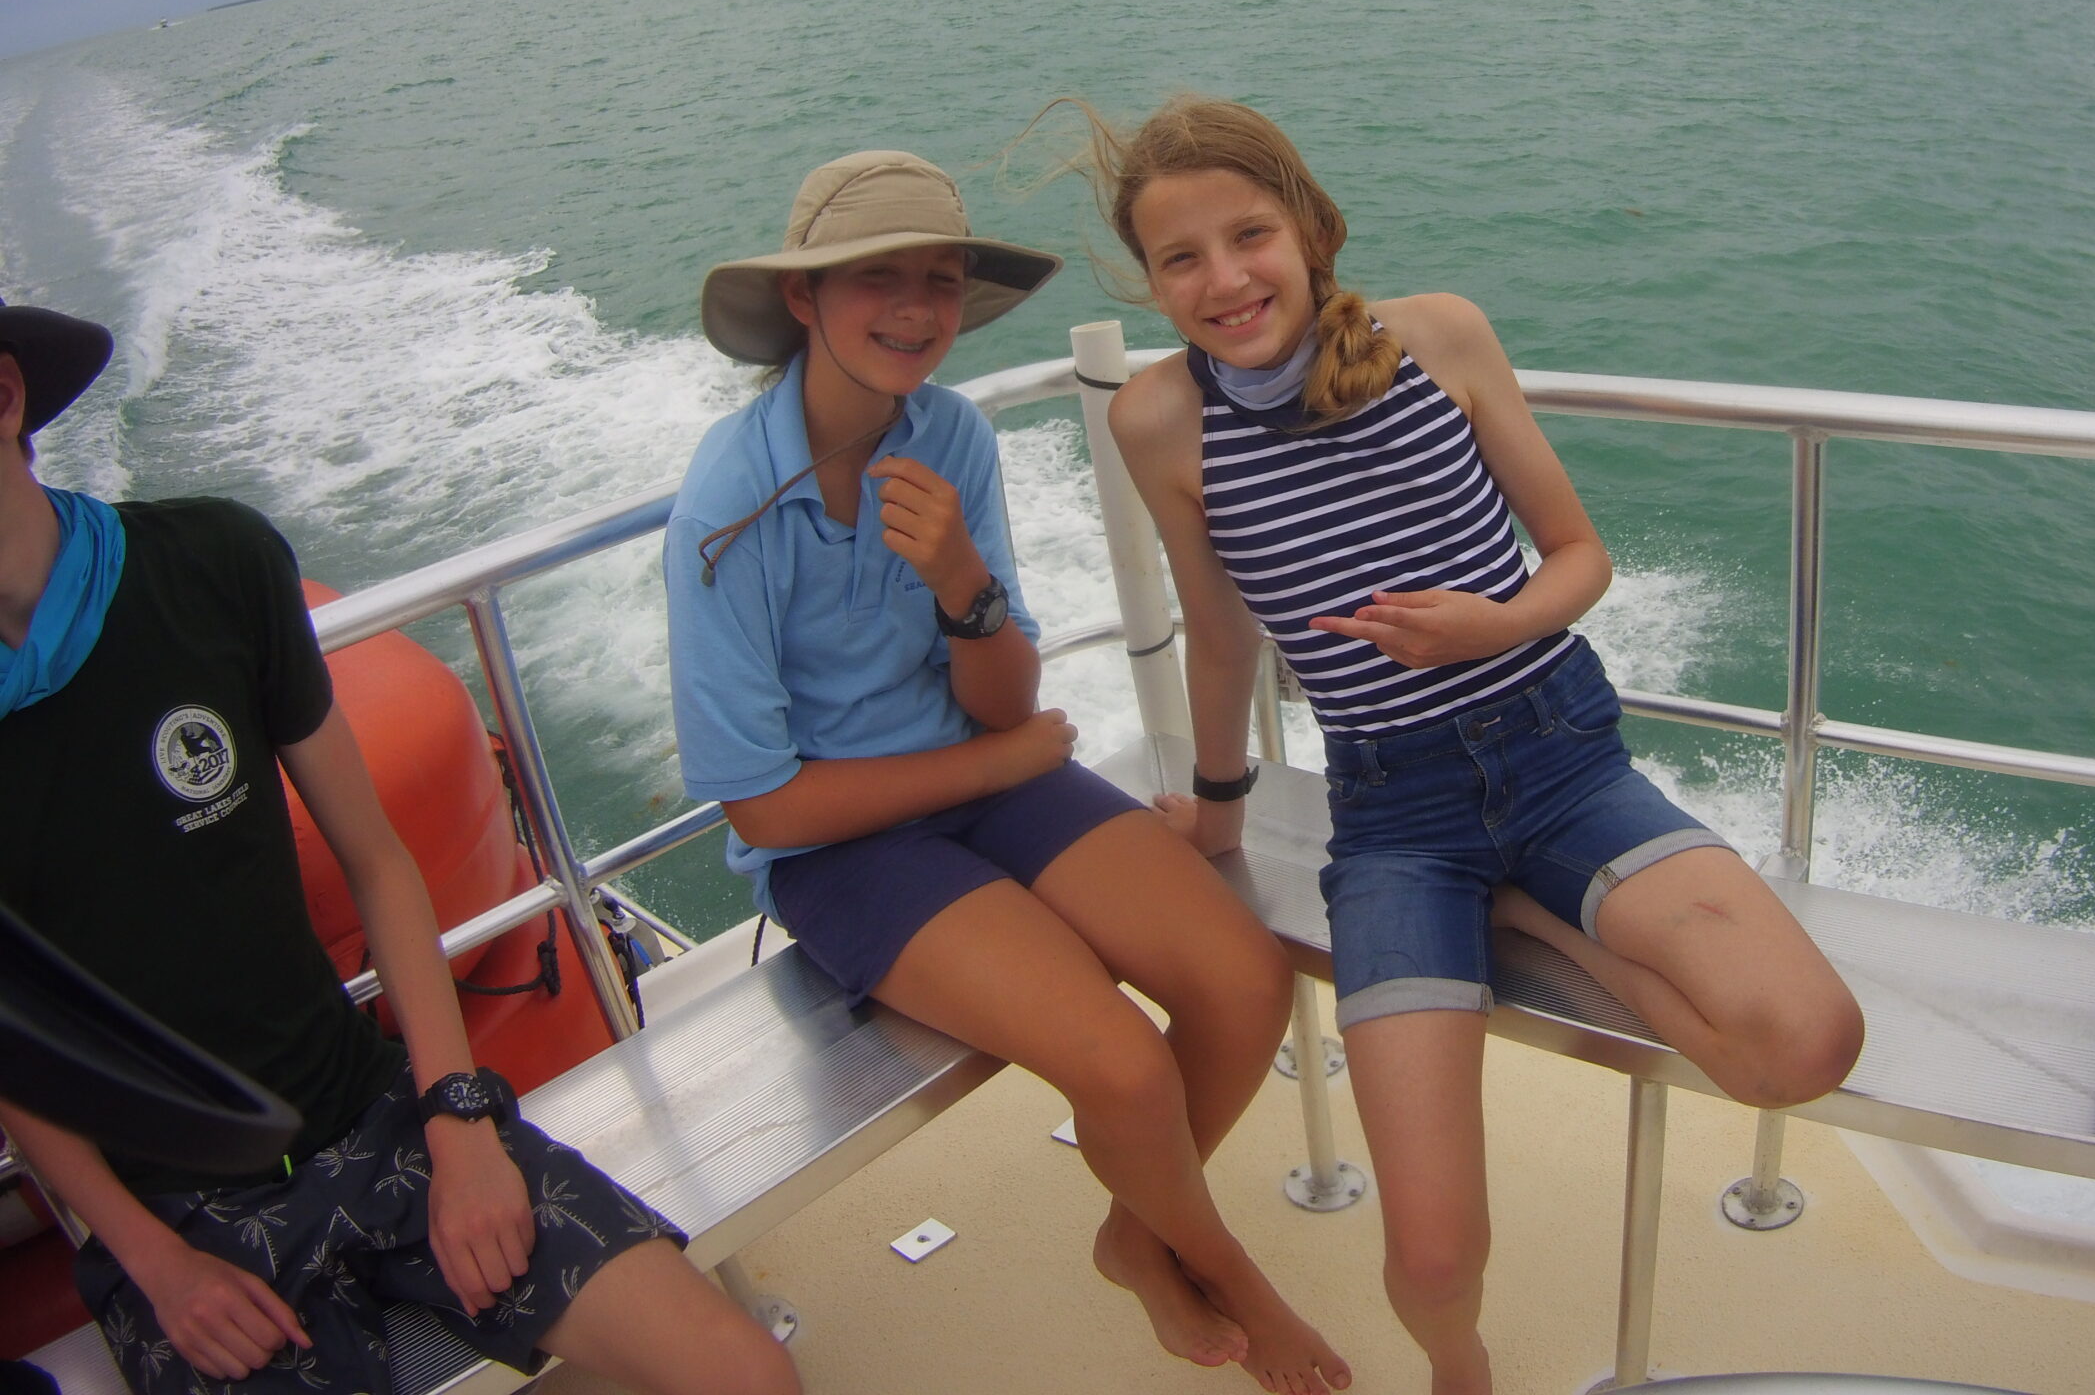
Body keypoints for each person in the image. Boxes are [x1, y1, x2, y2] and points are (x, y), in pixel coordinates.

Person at [1075, 95, 1865, 1395]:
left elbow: (1581, 556)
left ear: (1309, 227)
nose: (1224, 278)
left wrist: (1489, 623)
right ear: (1153, 282)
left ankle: (1541, 917)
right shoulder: (1161, 424)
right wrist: (1217, 815)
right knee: (1434, 1261)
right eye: (1181, 258)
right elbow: (1220, 641)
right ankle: (1463, 1372)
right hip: (1395, 826)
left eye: (1249, 234)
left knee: (1804, 1043)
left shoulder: (1435, 338)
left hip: (1561, 759)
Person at [0, 292, 796, 1395]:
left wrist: (458, 1121)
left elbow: (378, 862)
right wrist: (151, 1261)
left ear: (4, 395)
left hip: (374, 1115)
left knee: (746, 1378)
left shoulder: (208, 567)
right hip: (175, 1216)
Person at [663, 150, 1348, 1395]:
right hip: (841, 845)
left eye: (940, 279)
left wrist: (960, 585)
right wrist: (1005, 757)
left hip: (987, 773)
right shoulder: (727, 500)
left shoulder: (950, 434)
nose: (918, 309)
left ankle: (1137, 1239)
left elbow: (1012, 698)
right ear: (805, 301)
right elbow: (762, 803)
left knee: (1244, 982)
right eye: (879, 279)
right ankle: (1229, 1274)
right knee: (1122, 1065)